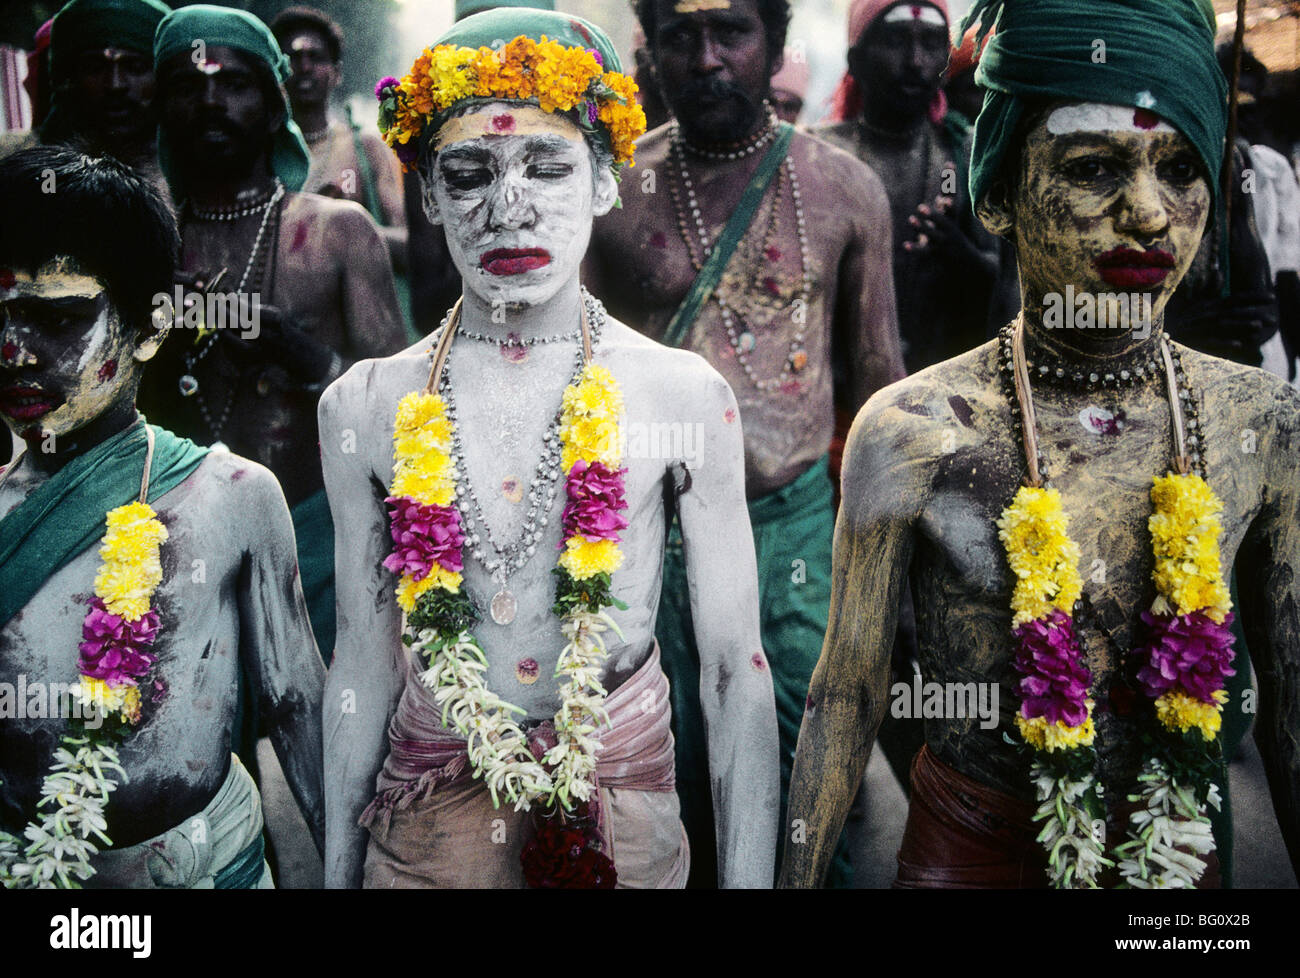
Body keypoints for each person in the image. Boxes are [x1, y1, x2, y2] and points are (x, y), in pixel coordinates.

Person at [781, 0, 1300, 890]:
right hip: (971, 852)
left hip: (1173, 868)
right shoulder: (912, 429)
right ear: (997, 194)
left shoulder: (1259, 423)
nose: (1147, 214)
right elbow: (846, 698)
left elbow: (1291, 705)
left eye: (1180, 168)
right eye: (1095, 168)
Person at [320, 8, 779, 889]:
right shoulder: (367, 406)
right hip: (428, 821)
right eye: (468, 173)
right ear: (428, 195)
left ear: (606, 182)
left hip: (620, 812)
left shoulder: (681, 396)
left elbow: (732, 670)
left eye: (548, 165)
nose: (508, 208)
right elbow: (361, 666)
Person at [586, 0, 902, 889]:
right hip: (653, 530)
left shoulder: (844, 188)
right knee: (668, 757)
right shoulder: (612, 192)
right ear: (653, 53)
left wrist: (887, 560)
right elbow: (575, 389)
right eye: (683, 37)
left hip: (793, 530)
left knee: (804, 755)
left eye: (732, 31)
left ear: (773, 44)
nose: (710, 58)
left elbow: (879, 382)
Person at [0, 146, 324, 888]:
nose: (14, 353)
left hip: (210, 868)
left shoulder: (233, 495)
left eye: (58, 319)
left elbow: (300, 708)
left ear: (150, 328)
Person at [137, 4, 407, 661]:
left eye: (234, 84)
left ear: (272, 100)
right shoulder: (141, 241)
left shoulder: (339, 231)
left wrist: (310, 358)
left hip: (317, 528)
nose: (210, 102)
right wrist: (159, 340)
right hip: (172, 532)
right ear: (162, 106)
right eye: (187, 86)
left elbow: (405, 411)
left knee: (329, 743)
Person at [818, 0, 1003, 374]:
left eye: (932, 43)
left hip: (939, 394)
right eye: (896, 41)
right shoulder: (817, 156)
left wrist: (962, 255)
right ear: (856, 60)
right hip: (833, 396)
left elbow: (1010, 287)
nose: (916, 61)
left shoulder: (966, 154)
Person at [269, 6, 407, 271]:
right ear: (275, 72)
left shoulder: (366, 149)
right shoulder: (256, 151)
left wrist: (345, 226)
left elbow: (408, 244)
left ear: (337, 72)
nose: (305, 67)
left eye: (316, 57)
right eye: (293, 58)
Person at [0, 0, 171, 203]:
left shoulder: (192, 174)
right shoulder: (14, 165)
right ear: (70, 78)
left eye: (134, 67)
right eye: (95, 67)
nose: (115, 85)